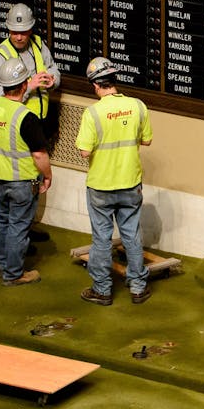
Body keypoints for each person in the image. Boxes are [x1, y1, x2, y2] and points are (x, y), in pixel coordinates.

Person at [75, 57, 153, 305]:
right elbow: (147, 140)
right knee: (131, 234)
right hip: (130, 182)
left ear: (95, 86)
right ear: (114, 81)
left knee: (102, 238)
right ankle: (138, 288)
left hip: (101, 186)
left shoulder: (92, 113)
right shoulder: (138, 106)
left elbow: (85, 151)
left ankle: (102, 290)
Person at [0, 3, 60, 241]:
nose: (18, 36)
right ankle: (20, 234)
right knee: (22, 178)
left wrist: (52, 80)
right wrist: (28, 87)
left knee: (34, 177)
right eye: (14, 31)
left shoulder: (39, 44)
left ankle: (25, 227)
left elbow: (52, 68)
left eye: (23, 31)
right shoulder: (0, 56)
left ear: (31, 29)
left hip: (39, 120)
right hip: (17, 125)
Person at [0, 57, 52, 286]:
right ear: (25, 85)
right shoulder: (26, 117)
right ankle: (14, 274)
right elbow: (39, 155)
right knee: (19, 226)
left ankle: (2, 266)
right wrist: (48, 176)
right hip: (22, 180)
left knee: (3, 220)